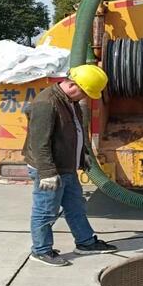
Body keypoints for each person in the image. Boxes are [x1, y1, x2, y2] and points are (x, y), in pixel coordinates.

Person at [22, 64, 117, 266]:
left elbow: (74, 132)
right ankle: (40, 250)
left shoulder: (68, 101)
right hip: (50, 169)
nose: (84, 97)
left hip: (66, 167)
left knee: (75, 206)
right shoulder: (47, 103)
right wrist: (47, 172)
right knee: (46, 210)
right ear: (73, 85)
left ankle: (85, 243)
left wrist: (82, 156)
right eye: (84, 93)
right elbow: (39, 143)